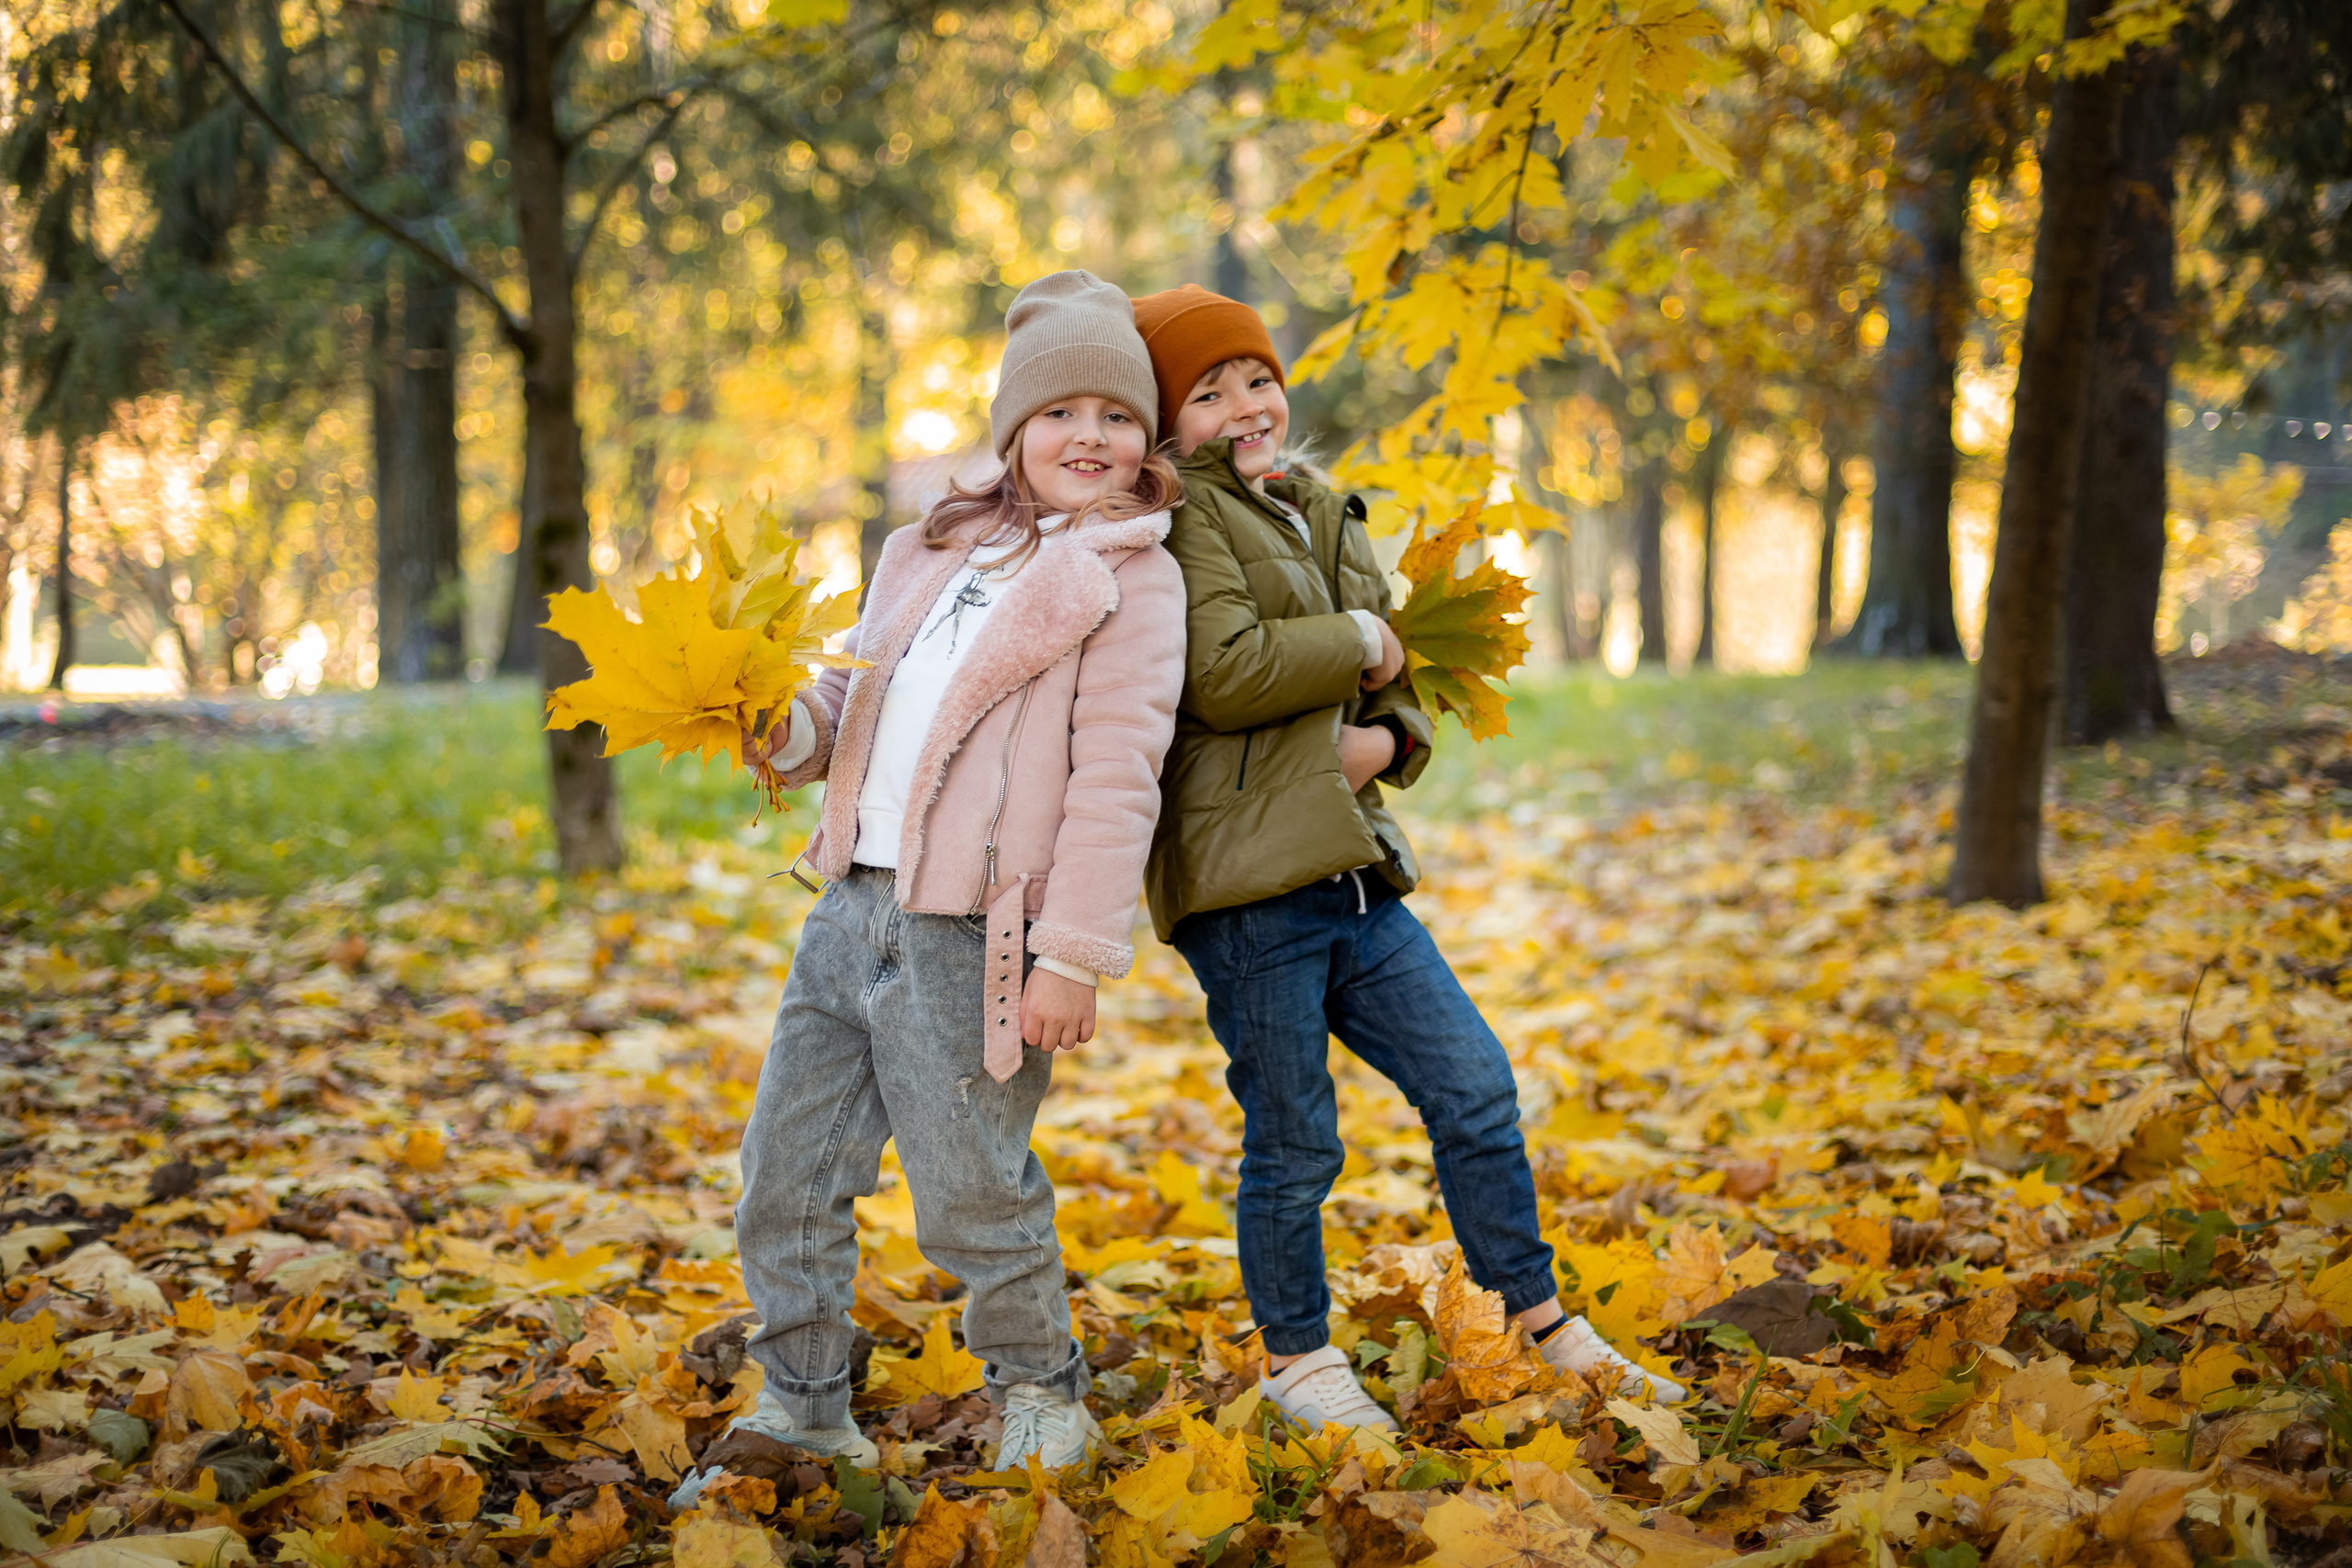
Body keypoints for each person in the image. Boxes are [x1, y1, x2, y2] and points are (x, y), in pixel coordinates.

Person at [1129, 284, 1688, 1433]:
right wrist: (1361, 646)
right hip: (1245, 894)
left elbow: (1407, 686)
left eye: (1257, 379)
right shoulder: (1176, 519)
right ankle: (1297, 1360)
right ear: (1162, 422)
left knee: (1473, 1084)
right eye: (1207, 391)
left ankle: (1535, 1319)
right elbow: (1224, 671)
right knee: (1294, 1139)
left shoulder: (1322, 507)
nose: (1244, 405)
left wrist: (1383, 735)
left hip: (1350, 875)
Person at [672, 271, 1186, 1504]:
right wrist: (780, 728)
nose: (1089, 436)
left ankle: (1038, 1385)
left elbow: (1119, 778)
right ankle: (801, 1401)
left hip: (977, 938)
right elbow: (857, 703)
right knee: (785, 1166)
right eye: (1059, 411)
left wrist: (1074, 951)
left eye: (1116, 415)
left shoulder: (1131, 579)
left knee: (971, 1187)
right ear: (1014, 429)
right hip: (852, 907)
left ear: (1144, 439)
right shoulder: (928, 550)